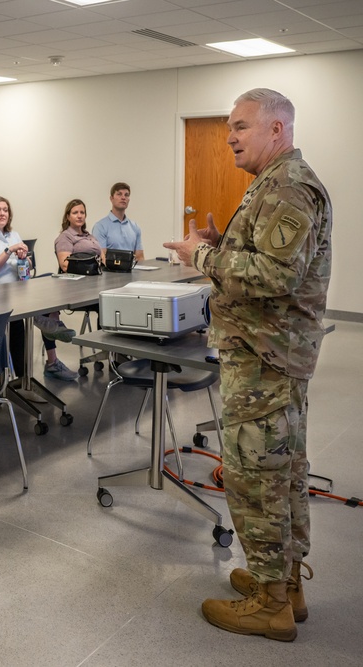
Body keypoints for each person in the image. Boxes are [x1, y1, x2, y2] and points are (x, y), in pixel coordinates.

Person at [164, 88, 331, 642]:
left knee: (257, 477)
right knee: (281, 474)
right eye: (229, 127)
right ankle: (284, 584)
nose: (230, 137)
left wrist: (202, 256)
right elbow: (266, 257)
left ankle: (269, 603)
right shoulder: (273, 184)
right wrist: (224, 241)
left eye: (240, 126)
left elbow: (274, 277)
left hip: (266, 362)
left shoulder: (287, 187)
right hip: (270, 355)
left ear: (276, 130)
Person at [0, 196, 77, 382]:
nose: (2, 213)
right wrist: (10, 250)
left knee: (51, 281)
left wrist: (23, 258)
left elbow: (25, 265)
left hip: (19, 289)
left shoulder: (13, 234)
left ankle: (47, 320)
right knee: (23, 310)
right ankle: (43, 321)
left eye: (5, 210)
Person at [92, 182, 144, 263]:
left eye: (126, 195)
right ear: (111, 198)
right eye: (119, 194)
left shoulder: (135, 227)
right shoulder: (100, 227)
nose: (123, 197)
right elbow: (102, 258)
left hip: (132, 273)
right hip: (110, 273)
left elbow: (140, 257)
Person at [55, 198, 101, 272]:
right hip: (77, 280)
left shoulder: (89, 236)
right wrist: (90, 269)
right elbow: (65, 266)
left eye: (82, 212)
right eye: (75, 213)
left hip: (95, 276)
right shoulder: (65, 237)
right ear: (68, 217)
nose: (79, 216)